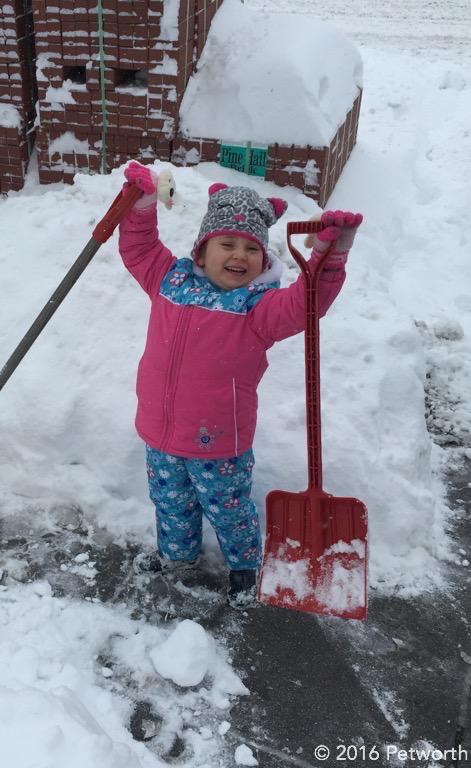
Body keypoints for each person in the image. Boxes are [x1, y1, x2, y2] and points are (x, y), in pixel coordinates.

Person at [118, 161, 363, 608]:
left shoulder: (258, 308)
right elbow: (139, 249)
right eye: (226, 244)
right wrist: (143, 203)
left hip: (219, 441)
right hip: (160, 432)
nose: (239, 256)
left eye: (251, 249)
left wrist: (331, 256)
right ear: (201, 252)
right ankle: (178, 556)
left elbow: (306, 303)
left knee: (229, 509)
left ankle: (245, 566)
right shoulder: (168, 279)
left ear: (264, 260)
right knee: (171, 503)